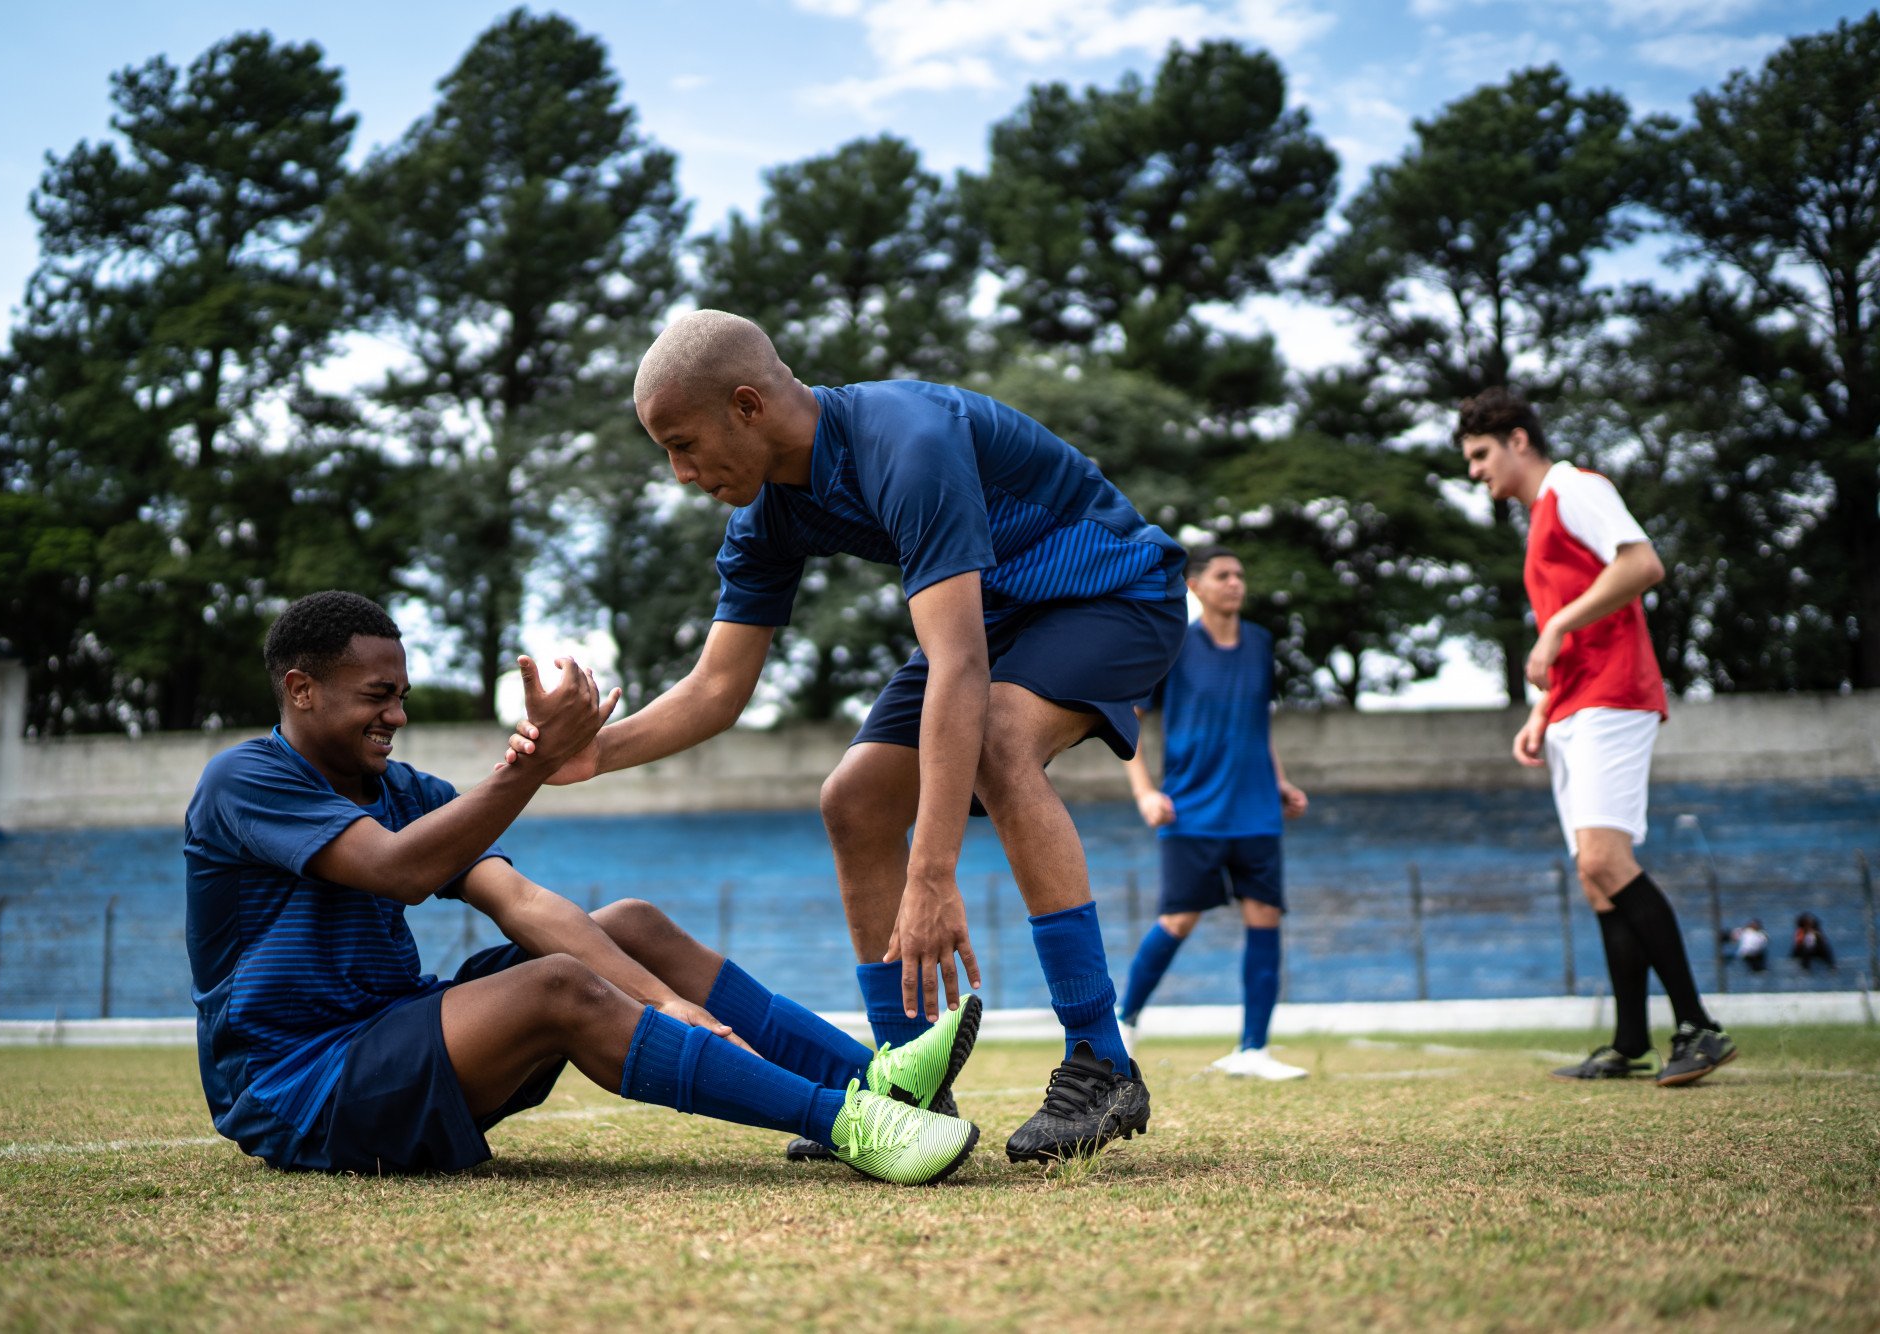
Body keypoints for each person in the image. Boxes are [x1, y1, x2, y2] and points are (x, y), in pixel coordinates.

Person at [511, 310, 1184, 1162]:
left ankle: (1101, 1060)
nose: (681, 474)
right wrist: (598, 752)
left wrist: (932, 872)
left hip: (1110, 591)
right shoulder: (766, 513)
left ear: (748, 406)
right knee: (854, 800)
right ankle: (908, 1082)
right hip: (997, 617)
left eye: (683, 444)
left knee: (995, 745)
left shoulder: (908, 440)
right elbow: (719, 686)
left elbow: (960, 666)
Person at [184, 590, 982, 1184]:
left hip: (389, 1035)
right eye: (376, 696)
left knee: (627, 925)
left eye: (401, 696)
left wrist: (665, 999)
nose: (395, 715)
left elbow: (521, 902)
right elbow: (399, 869)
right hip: (301, 1082)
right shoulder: (246, 781)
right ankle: (850, 1127)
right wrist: (527, 770)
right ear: (300, 690)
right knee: (561, 984)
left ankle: (869, 1077)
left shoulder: (405, 789)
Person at [1456, 387, 1736, 1087]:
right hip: (1575, 703)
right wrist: (1540, 711)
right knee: (1594, 876)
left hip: (1615, 695)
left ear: (1519, 440)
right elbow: (1577, 619)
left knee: (1607, 860)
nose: (1474, 471)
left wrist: (1553, 628)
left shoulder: (1575, 488)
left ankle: (1698, 1027)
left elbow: (1642, 565)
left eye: (1481, 455)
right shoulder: (1539, 517)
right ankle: (1629, 1041)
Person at [1116, 544, 1310, 1079]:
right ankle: (1123, 1022)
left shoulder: (1261, 644)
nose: (1235, 583)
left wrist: (1280, 782)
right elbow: (1128, 720)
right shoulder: (1173, 643)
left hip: (1255, 810)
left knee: (1264, 917)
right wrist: (1145, 793)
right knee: (1178, 919)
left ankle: (1253, 1050)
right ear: (1195, 586)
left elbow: (1257, 724)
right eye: (1223, 575)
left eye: (1240, 575)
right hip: (1192, 811)